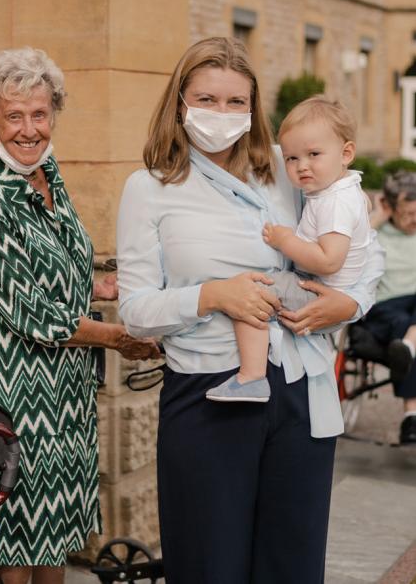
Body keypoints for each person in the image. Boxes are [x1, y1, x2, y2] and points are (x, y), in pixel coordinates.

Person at [116, 37, 384, 583]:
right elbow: (138, 310)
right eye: (207, 99)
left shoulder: (289, 177)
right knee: (211, 565)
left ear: (253, 107)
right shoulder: (149, 188)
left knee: (293, 565)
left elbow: (362, 249)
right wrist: (214, 295)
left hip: (300, 391)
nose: (222, 113)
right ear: (180, 102)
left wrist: (351, 302)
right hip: (211, 392)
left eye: (237, 102)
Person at [0, 47, 159, 584]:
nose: (28, 128)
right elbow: (34, 314)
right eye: (13, 115)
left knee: (54, 530)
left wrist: (97, 283)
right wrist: (118, 336)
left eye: (39, 113)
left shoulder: (45, 174)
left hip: (61, 388)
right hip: (9, 387)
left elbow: (53, 265)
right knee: (16, 531)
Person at [206, 97, 371, 402]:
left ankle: (251, 376)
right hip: (325, 292)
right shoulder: (336, 189)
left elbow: (329, 260)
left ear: (346, 153)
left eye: (313, 154)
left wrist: (286, 242)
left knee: (251, 292)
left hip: (321, 292)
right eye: (292, 158)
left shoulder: (336, 202)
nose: (301, 166)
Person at [358, 171, 416, 443]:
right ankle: (411, 415)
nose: (415, 219)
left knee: (408, 329)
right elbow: (347, 249)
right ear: (391, 207)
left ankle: (411, 417)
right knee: (403, 325)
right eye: (408, 213)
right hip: (385, 306)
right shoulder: (374, 231)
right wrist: (378, 217)